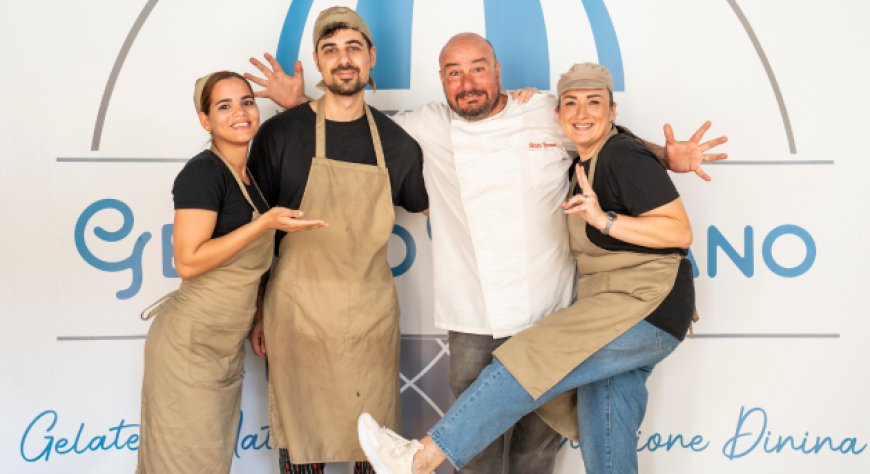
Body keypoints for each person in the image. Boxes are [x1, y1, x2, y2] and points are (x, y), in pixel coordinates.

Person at [250, 30, 724, 474]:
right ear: (441, 82)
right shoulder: (426, 125)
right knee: (481, 452)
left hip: (550, 308)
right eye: (453, 73)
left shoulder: (542, 110)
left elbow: (604, 135)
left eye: (478, 68)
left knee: (538, 448)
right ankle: (423, 458)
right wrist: (302, 104)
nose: (467, 82)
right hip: (473, 314)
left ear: (499, 71)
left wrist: (666, 154)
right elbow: (354, 124)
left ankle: (417, 458)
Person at [357, 62, 697, 474]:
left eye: (594, 102)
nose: (582, 112)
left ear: (613, 111)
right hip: (622, 309)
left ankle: (419, 458)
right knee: (606, 427)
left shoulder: (623, 155)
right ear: (556, 114)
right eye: (570, 103)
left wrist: (605, 219)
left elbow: (679, 232)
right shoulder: (581, 162)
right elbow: (364, 125)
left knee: (530, 355)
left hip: (645, 307)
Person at [245, 7, 429, 474]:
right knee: (302, 446)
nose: (342, 59)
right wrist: (259, 308)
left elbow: (433, 206)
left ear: (371, 58)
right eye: (330, 50)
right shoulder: (279, 135)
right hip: (296, 313)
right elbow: (258, 236)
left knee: (375, 448)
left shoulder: (399, 144)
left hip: (368, 317)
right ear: (317, 62)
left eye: (352, 49)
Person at [136, 71, 326, 473]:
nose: (239, 113)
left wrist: (258, 313)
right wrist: (264, 224)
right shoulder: (204, 173)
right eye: (224, 106)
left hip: (223, 348)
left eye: (246, 102)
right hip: (188, 348)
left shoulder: (249, 176)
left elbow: (248, 264)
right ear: (205, 121)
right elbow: (187, 261)